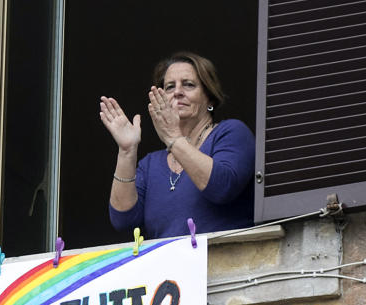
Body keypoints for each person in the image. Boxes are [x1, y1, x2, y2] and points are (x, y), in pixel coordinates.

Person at [99, 52, 254, 239]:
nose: (177, 92)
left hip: (224, 263)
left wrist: (173, 138)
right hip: (168, 267)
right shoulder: (150, 164)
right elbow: (123, 221)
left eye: (188, 85)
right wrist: (126, 151)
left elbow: (222, 187)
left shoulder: (231, 132)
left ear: (210, 97)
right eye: (169, 87)